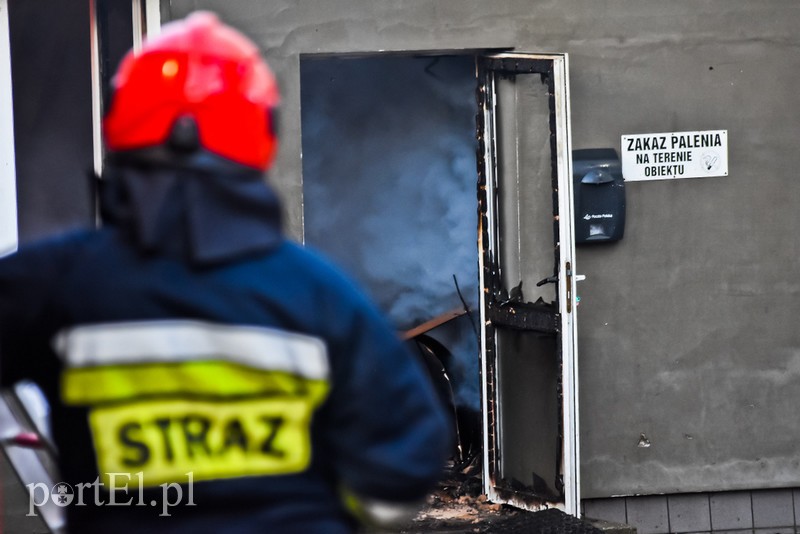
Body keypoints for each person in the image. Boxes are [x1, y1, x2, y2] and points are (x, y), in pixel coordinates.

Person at [0, 11, 451, 533]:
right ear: (260, 134)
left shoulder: (57, 283)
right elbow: (406, 452)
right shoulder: (321, 294)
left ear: (120, 125)